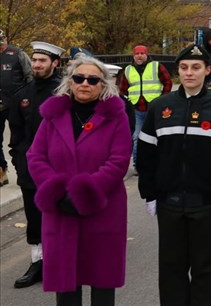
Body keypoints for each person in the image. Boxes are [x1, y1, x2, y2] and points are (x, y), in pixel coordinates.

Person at [136, 45, 211, 306]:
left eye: (196, 67)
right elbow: (146, 157)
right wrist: (150, 193)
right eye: (185, 68)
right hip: (169, 204)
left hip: (207, 204)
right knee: (171, 269)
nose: (189, 73)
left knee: (205, 270)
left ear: (207, 70)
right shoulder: (159, 108)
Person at [27, 56, 131, 305]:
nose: (85, 83)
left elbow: (118, 161)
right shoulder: (54, 116)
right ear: (70, 82)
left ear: (103, 84)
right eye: (78, 78)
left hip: (102, 208)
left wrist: (85, 194)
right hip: (61, 209)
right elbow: (36, 156)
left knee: (102, 280)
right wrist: (58, 192)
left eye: (92, 79)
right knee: (66, 283)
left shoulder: (116, 117)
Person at [7, 41, 65, 288]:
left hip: (60, 170)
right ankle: (38, 262)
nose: (38, 64)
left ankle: (63, 259)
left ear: (55, 63)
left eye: (43, 60)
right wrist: (19, 162)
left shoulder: (67, 93)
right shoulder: (23, 95)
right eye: (35, 60)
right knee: (34, 214)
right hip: (30, 169)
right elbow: (16, 135)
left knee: (62, 213)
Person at [118, 44, 171, 168]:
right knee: (136, 137)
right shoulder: (128, 70)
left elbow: (167, 82)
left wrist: (163, 99)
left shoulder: (156, 66)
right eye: (137, 54)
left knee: (157, 135)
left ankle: (158, 162)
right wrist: (127, 104)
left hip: (154, 108)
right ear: (133, 56)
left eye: (142, 53)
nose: (139, 56)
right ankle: (139, 165)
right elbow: (123, 90)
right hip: (136, 109)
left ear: (147, 55)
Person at [0, 28, 33, 186]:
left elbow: (30, 77)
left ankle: (25, 169)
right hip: (0, 105)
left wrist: (28, 98)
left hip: (18, 104)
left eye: (1, 44)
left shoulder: (18, 54)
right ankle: (1, 170)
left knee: (21, 137)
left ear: (5, 41)